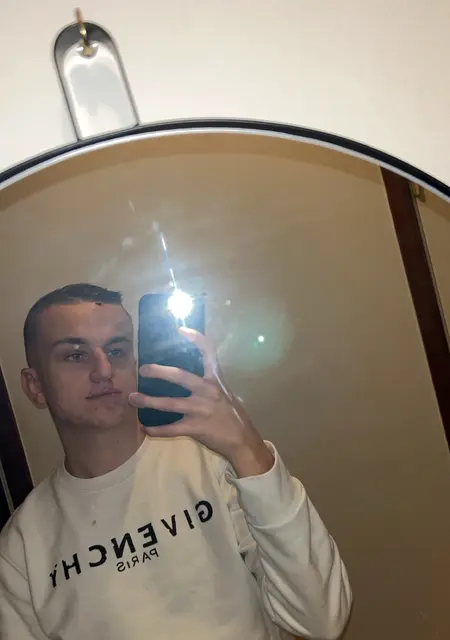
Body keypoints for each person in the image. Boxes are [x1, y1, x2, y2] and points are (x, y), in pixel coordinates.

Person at [0, 283, 352, 640]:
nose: (104, 370)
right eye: (76, 355)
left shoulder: (216, 465)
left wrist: (248, 449)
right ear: (35, 385)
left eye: (117, 350)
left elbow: (320, 621)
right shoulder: (22, 545)